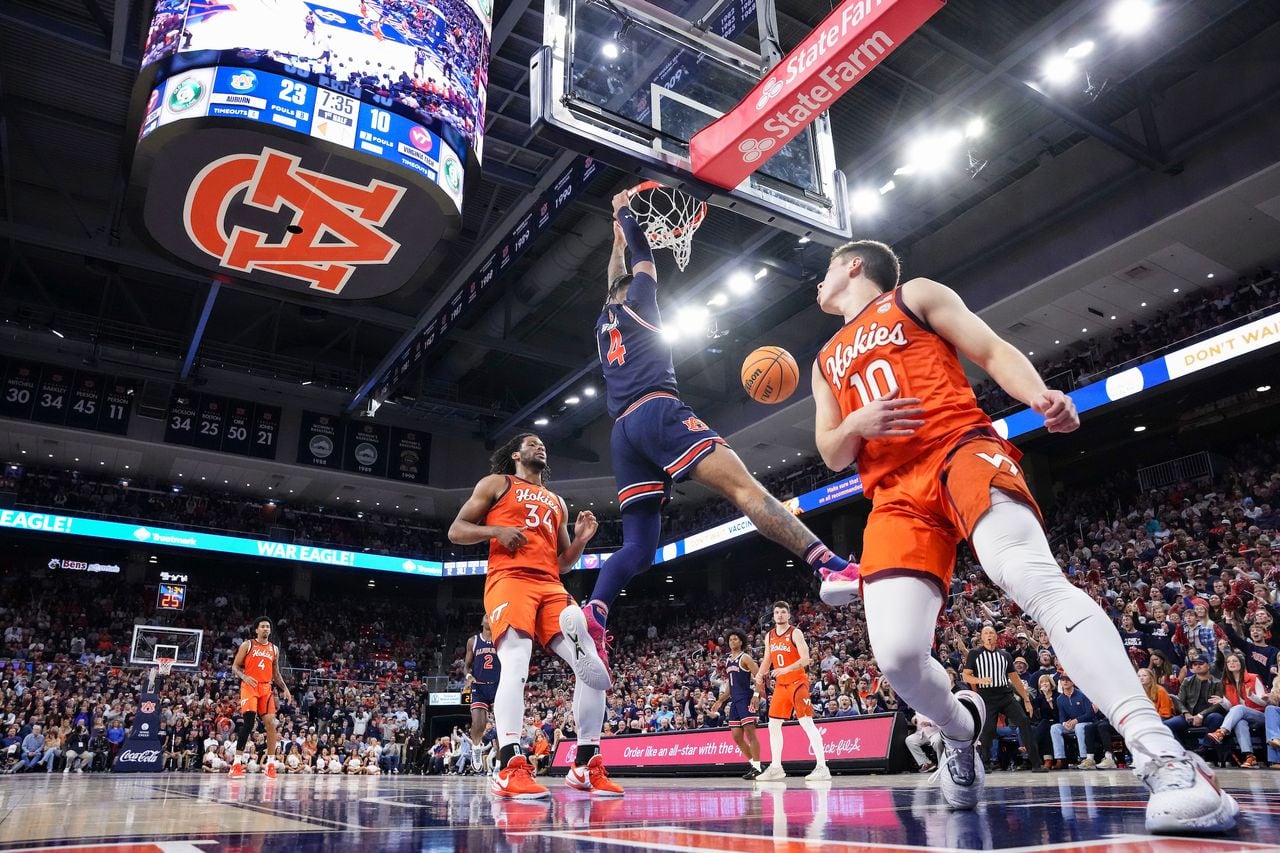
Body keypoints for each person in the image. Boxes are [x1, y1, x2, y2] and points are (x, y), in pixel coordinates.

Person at [810, 239, 1237, 832]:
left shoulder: (915, 296)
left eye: (827, 266)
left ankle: (1164, 755)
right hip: (893, 496)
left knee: (1028, 576)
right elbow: (831, 453)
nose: (819, 280)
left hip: (959, 447)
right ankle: (962, 732)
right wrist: (855, 423)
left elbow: (989, 347)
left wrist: (1038, 396)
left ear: (853, 264)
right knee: (898, 657)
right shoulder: (825, 357)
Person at [582, 192, 862, 658]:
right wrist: (627, 216)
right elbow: (643, 260)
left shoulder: (603, 321)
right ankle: (830, 566)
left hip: (623, 433)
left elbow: (615, 277)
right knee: (746, 489)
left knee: (640, 548)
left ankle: (595, 611)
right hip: (657, 410)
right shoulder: (643, 303)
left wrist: (614, 236)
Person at [448, 433, 622, 800]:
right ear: (515, 454)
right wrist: (496, 530)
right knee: (516, 664)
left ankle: (586, 764)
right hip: (510, 581)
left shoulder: (557, 501)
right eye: (531, 443)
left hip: (551, 584)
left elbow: (562, 561)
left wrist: (581, 541)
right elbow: (456, 530)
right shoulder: (497, 483)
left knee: (588, 664)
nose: (540, 446)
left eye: (544, 443)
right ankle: (510, 765)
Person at [753, 601, 830, 782]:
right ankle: (776, 767)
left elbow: (806, 660)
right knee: (773, 725)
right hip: (781, 685)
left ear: (788, 615)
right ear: (773, 616)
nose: (779, 615)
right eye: (777, 612)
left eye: (783, 612)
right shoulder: (770, 636)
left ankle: (822, 767)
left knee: (806, 723)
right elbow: (767, 660)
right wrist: (759, 674)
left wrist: (786, 669)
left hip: (797, 683)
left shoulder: (795, 633)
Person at [962, 626, 1043, 772]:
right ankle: (985, 763)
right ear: (981, 637)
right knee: (988, 730)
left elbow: (1015, 679)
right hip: (986, 696)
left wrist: (1026, 699)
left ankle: (1036, 763)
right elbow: (965, 676)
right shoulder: (975, 653)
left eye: (991, 633)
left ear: (996, 636)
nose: (989, 635)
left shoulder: (1005, 655)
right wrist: (980, 679)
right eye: (985, 633)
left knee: (1024, 721)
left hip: (1005, 695)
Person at [228, 616, 293, 779]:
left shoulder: (274, 649)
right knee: (249, 723)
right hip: (249, 686)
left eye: (268, 627)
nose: (265, 629)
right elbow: (235, 666)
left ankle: (270, 765)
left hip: (266, 688)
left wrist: (285, 688)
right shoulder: (247, 644)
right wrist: (244, 676)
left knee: (271, 724)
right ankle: (236, 764)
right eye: (262, 626)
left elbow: (276, 673)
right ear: (256, 629)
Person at [709, 629, 762, 779]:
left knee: (751, 734)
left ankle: (758, 767)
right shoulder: (727, 661)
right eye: (730, 639)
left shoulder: (745, 657)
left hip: (745, 698)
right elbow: (730, 686)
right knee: (737, 737)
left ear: (741, 641)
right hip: (734, 700)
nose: (732, 641)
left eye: (735, 639)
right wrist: (719, 701)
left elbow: (759, 676)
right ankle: (755, 765)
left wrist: (756, 695)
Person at [1205, 652, 1266, 767]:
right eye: (1229, 662)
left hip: (1260, 715)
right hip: (1242, 715)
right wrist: (1222, 702)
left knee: (1239, 709)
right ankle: (1250, 756)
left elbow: (1265, 702)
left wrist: (1252, 696)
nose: (1232, 663)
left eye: (1235, 661)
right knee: (1240, 722)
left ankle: (1221, 732)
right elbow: (1231, 708)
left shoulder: (1253, 678)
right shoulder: (1226, 682)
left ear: (1241, 663)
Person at [464, 615, 500, 756]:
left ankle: (499, 765)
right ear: (481, 622)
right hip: (479, 686)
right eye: (486, 616)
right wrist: (469, 676)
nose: (489, 618)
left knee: (502, 725)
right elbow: (466, 666)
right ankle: (476, 747)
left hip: (497, 685)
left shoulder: (500, 640)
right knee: (479, 723)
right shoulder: (473, 641)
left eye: (492, 616)